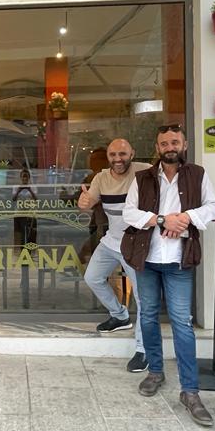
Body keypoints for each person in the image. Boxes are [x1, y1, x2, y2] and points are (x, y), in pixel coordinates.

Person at [122, 124, 215, 424]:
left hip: (179, 260)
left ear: (184, 144)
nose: (169, 146)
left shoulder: (197, 174)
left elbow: (214, 207)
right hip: (148, 258)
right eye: (164, 142)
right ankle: (155, 371)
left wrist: (185, 218)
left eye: (174, 141)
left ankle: (190, 391)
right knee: (148, 316)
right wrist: (163, 219)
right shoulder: (142, 178)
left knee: (182, 323)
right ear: (157, 147)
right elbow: (129, 213)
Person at [78, 139, 152, 372]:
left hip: (137, 244)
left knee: (142, 299)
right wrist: (84, 202)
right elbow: (88, 202)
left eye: (123, 154)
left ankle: (143, 349)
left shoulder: (145, 172)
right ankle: (119, 315)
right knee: (92, 277)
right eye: (113, 154)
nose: (118, 159)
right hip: (111, 241)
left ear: (133, 153)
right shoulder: (101, 178)